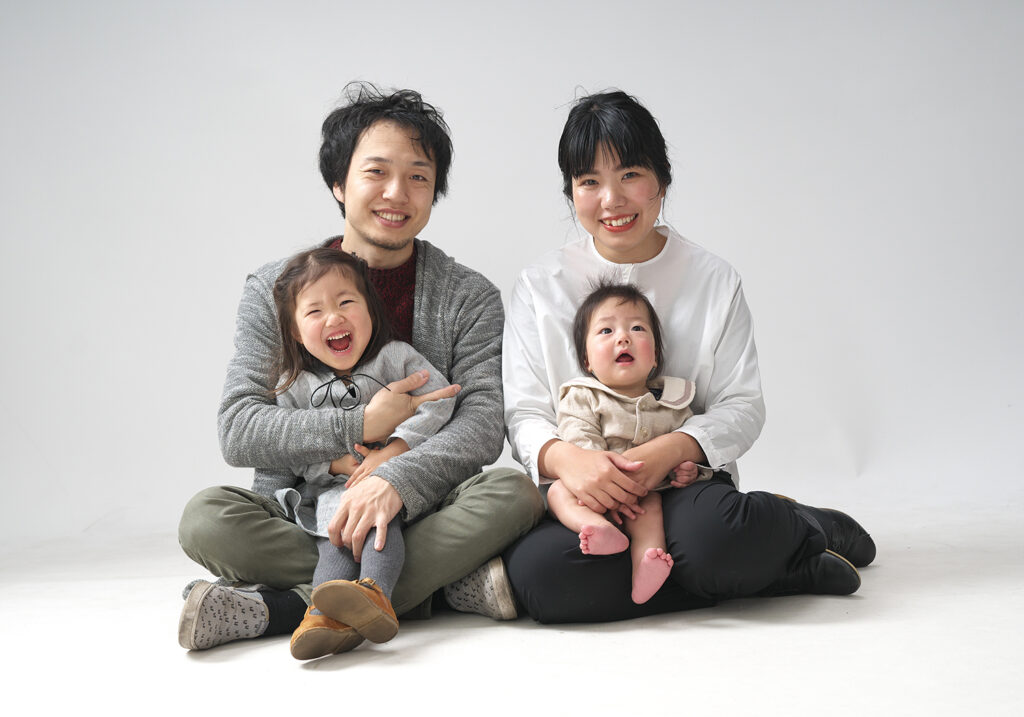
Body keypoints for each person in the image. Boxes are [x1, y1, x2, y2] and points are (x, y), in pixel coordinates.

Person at [177, 83, 544, 651]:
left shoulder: (468, 296)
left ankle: (284, 608)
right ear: (338, 183)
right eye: (376, 172)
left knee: (514, 494)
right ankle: (432, 589)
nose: (397, 193)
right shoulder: (275, 289)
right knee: (205, 519)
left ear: (435, 191)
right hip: (306, 510)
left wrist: (394, 475)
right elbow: (240, 428)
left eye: (418, 176)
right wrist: (361, 426)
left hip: (425, 506)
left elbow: (481, 423)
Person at [502, 90, 876, 624]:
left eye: (630, 174)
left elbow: (742, 405)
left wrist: (672, 449)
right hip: (587, 489)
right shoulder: (541, 284)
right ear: (571, 192)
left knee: (711, 541)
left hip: (684, 484)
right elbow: (524, 412)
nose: (611, 199)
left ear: (662, 180)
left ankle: (803, 528)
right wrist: (569, 461)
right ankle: (777, 569)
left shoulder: (713, 279)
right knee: (542, 579)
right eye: (589, 182)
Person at [271, 247, 457, 659]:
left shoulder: (396, 358)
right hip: (334, 490)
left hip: (397, 482)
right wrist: (334, 463)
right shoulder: (294, 386)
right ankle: (322, 614)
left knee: (379, 524)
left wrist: (395, 448)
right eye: (315, 311)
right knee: (335, 536)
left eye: (345, 302)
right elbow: (291, 450)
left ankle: (375, 594)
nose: (333, 318)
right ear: (297, 332)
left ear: (370, 311)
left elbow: (440, 398)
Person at [549, 281, 708, 605]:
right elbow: (578, 437)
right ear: (587, 360)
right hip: (589, 492)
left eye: (637, 328)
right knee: (557, 492)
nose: (623, 338)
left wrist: (690, 470)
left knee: (651, 508)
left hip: (642, 496)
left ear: (655, 356)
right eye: (606, 331)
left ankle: (647, 562)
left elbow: (689, 446)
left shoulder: (674, 402)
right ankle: (597, 529)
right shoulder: (583, 395)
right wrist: (606, 483)